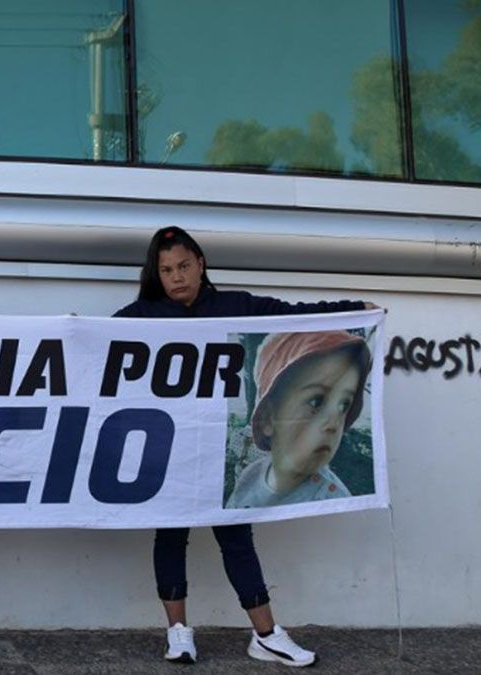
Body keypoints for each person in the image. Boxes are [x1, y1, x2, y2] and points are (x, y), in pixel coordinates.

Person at [115, 225, 376, 667]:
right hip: (171, 454)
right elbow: (88, 349)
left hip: (217, 454)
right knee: (170, 536)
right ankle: (178, 634)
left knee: (237, 539)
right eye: (165, 270)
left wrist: (356, 311)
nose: (176, 277)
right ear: (155, 275)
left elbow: (297, 318)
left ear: (201, 264)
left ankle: (267, 635)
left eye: (183, 266)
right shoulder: (140, 316)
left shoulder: (238, 306)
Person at [227, 331, 371, 508]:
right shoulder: (250, 475)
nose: (333, 423)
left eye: (344, 405)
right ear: (267, 420)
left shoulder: (333, 501)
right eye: (316, 401)